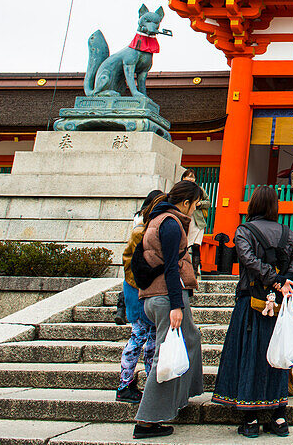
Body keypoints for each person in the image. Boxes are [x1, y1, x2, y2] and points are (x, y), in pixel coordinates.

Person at [212, 185, 293, 437]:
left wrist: (273, 279)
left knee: (251, 353)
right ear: (275, 206)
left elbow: (247, 260)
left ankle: (251, 418)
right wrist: (284, 280)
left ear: (253, 205)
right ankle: (278, 417)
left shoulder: (244, 231)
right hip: (282, 303)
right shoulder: (288, 233)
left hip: (252, 301)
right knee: (279, 353)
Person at [134, 181, 204, 440]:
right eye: (196, 202)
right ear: (186, 202)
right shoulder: (172, 223)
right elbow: (172, 267)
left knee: (191, 340)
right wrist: (177, 304)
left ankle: (182, 394)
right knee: (164, 357)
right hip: (167, 296)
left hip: (153, 295)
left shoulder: (155, 219)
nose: (196, 207)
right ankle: (146, 419)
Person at [116, 190, 162, 403]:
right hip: (137, 289)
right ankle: (125, 383)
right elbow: (129, 263)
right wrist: (142, 284)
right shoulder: (139, 233)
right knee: (138, 336)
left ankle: (151, 383)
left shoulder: (153, 231)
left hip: (150, 290)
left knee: (152, 338)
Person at [180, 169, 207, 280]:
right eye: (188, 176)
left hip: (198, 221)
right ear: (183, 178)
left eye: (192, 177)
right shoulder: (180, 189)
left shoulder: (199, 190)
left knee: (196, 245)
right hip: (186, 220)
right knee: (185, 245)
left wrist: (200, 203)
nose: (191, 178)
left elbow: (208, 202)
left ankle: (196, 270)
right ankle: (183, 268)